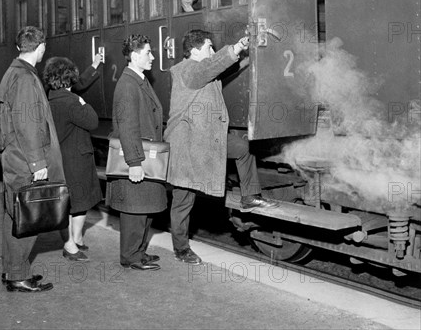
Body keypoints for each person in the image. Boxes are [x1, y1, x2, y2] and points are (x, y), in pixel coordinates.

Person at [165, 29, 278, 265]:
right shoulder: (187, 70)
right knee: (183, 200)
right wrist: (235, 47)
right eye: (209, 47)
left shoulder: (202, 70)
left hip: (207, 139)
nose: (212, 51)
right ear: (195, 51)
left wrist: (248, 53)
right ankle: (181, 248)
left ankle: (250, 197)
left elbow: (219, 68)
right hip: (186, 144)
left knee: (244, 148)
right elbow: (208, 68)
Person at [0, 26, 65, 292]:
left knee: (14, 215)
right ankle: (17, 276)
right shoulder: (25, 78)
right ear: (41, 47)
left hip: (14, 157)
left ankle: (13, 270)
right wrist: (38, 165)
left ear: (18, 47)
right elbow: (27, 124)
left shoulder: (13, 72)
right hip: (25, 160)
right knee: (29, 216)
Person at [106, 34, 167, 271]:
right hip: (138, 155)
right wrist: (134, 162)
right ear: (134, 56)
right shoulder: (128, 84)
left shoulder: (138, 80)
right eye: (148, 53)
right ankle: (130, 255)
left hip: (145, 152)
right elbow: (128, 126)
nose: (152, 57)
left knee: (145, 206)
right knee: (135, 207)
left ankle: (139, 251)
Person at [43, 57, 103, 261]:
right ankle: (70, 245)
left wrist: (93, 66)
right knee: (77, 202)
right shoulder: (72, 102)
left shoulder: (50, 100)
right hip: (76, 160)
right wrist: (83, 102)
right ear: (70, 78)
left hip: (62, 160)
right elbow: (93, 121)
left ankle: (76, 239)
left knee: (74, 202)